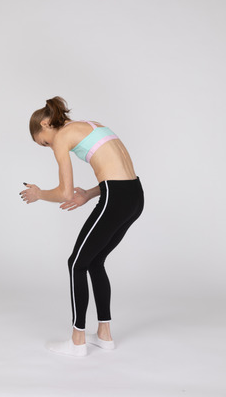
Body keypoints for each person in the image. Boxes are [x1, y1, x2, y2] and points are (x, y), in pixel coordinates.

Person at [19, 96, 144, 357]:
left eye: (44, 141)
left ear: (45, 124)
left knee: (76, 263)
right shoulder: (91, 125)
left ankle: (77, 340)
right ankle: (104, 335)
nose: (48, 145)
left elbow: (65, 193)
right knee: (94, 261)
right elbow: (119, 173)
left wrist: (39, 193)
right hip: (135, 194)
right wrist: (87, 194)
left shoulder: (62, 135)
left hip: (116, 196)